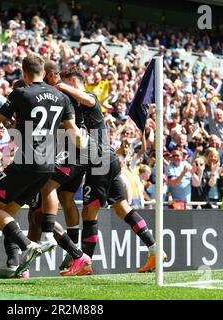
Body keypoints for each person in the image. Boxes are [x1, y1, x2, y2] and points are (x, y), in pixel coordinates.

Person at [55, 66, 166, 274]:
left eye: (64, 83)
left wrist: (60, 86)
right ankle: (154, 249)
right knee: (122, 207)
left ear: (71, 81)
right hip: (108, 158)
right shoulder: (76, 104)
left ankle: (85, 263)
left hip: (101, 160)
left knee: (89, 211)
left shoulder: (88, 96)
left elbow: (89, 100)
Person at [0, 54, 84, 278]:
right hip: (48, 166)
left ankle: (28, 245)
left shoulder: (21, 92)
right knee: (8, 211)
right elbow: (75, 133)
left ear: (24, 73)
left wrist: (4, 123)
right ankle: (12, 265)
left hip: (27, 162)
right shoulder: (61, 96)